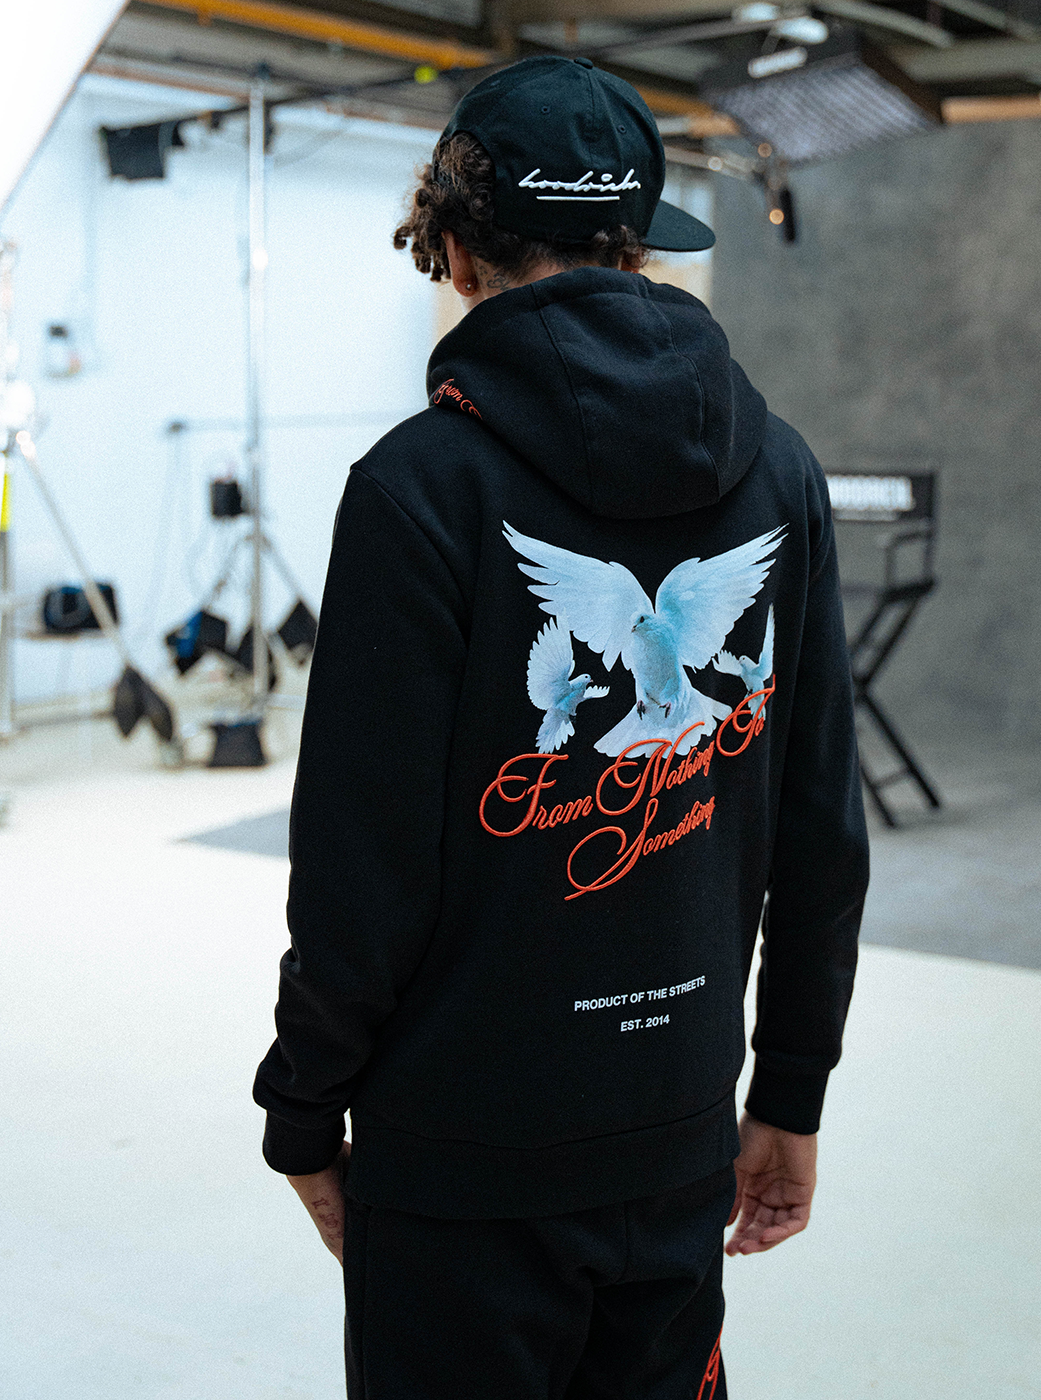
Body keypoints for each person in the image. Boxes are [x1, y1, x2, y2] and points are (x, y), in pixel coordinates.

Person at [254, 54, 869, 1400]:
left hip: (461, 1159)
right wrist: (789, 1090)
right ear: (634, 246)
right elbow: (823, 822)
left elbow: (364, 865)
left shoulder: (419, 488)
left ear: (456, 248)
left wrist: (303, 1105)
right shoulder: (781, 470)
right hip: (677, 1126)